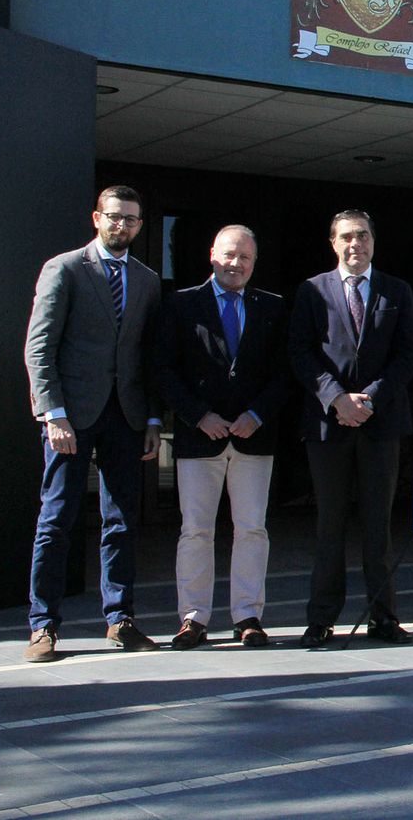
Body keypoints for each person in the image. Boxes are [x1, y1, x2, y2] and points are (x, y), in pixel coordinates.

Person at [23, 185, 163, 662]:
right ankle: (43, 626)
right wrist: (53, 414)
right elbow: (39, 347)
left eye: (131, 218)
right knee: (57, 519)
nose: (122, 225)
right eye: (114, 216)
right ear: (96, 218)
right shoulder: (64, 268)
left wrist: (152, 418)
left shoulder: (146, 279)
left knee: (121, 521)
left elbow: (147, 356)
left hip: (125, 415)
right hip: (71, 417)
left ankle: (119, 619)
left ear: (141, 225)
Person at [288, 210, 413, 648]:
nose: (355, 244)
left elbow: (407, 356)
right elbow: (301, 353)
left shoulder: (397, 291)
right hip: (329, 426)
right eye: (346, 237)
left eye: (363, 235)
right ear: (333, 243)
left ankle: (383, 617)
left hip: (381, 425)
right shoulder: (311, 291)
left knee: (377, 526)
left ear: (373, 241)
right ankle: (321, 618)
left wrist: (370, 399)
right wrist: (337, 399)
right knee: (329, 525)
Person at [155, 225, 289, 650]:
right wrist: (198, 416)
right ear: (213, 254)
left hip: (253, 437)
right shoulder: (180, 305)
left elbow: (285, 373)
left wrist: (257, 414)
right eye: (230, 254)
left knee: (252, 529)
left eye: (245, 258)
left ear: (254, 262)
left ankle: (247, 616)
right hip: (200, 437)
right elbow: (162, 370)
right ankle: (193, 618)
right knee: (195, 531)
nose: (236, 264)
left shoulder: (272, 307)